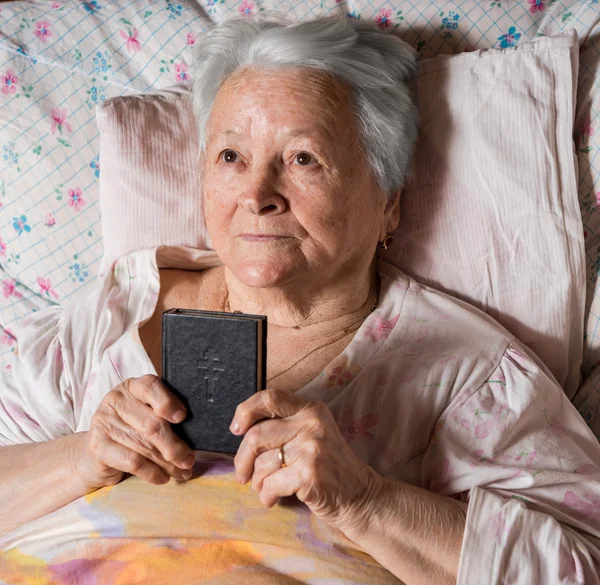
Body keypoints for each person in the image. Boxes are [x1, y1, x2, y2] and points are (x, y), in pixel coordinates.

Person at [0, 14, 599, 585]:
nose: (257, 194)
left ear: (388, 201)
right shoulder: (113, 312)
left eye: (303, 159)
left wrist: (366, 501)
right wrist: (81, 458)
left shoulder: (471, 375)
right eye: (231, 156)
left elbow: (583, 567)